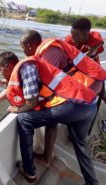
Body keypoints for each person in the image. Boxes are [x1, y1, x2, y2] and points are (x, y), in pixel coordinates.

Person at [0, 51, 101, 185]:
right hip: (88, 105)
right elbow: (33, 86)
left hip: (72, 106)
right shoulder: (28, 67)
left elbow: (32, 103)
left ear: (9, 65)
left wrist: (17, 109)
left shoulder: (26, 68)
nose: (0, 72)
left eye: (0, 69)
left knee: (24, 119)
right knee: (80, 147)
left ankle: (29, 171)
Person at [20, 29, 106, 166]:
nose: (23, 52)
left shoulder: (49, 54)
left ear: (29, 45)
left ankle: (32, 167)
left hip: (84, 90)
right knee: (70, 131)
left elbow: (42, 83)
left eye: (23, 48)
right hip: (86, 88)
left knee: (27, 118)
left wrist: (25, 102)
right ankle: (50, 156)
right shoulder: (55, 46)